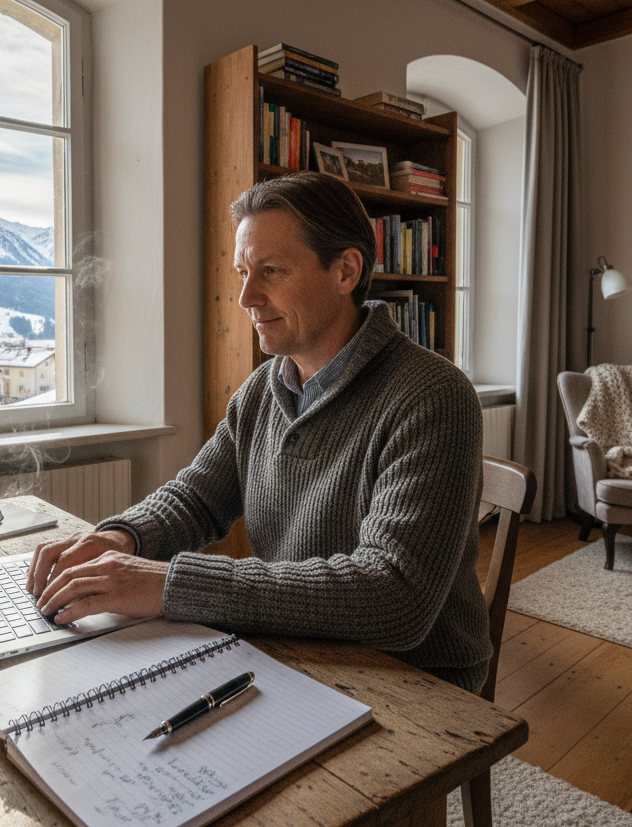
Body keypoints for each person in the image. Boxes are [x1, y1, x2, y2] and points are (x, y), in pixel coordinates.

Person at [27, 171, 491, 696]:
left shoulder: (432, 395)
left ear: (345, 271)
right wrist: (119, 537)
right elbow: (198, 498)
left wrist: (167, 584)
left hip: (416, 677)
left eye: (271, 270)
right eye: (243, 271)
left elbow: (395, 597)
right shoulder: (265, 387)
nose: (247, 296)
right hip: (294, 647)